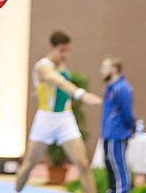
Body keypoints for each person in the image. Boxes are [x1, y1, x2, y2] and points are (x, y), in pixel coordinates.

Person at [16, 31, 102, 193]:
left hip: (65, 119)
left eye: (67, 50)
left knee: (83, 163)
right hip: (45, 120)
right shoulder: (42, 67)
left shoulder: (62, 66)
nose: (65, 55)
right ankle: (16, 190)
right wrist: (81, 94)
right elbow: (59, 82)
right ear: (52, 47)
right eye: (62, 50)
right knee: (29, 165)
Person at [100, 55, 135, 193]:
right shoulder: (110, 88)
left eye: (104, 67)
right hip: (109, 135)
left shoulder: (121, 88)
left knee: (118, 170)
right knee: (110, 170)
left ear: (114, 69)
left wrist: (130, 127)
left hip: (117, 135)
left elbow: (127, 113)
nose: (101, 70)